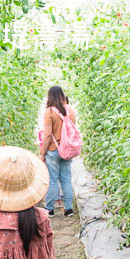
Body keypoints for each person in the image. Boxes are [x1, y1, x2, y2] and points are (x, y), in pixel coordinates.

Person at [38, 86, 78, 216]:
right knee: (66, 179)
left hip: (53, 150)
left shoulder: (49, 112)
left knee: (52, 180)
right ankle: (68, 209)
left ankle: (49, 209)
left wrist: (42, 153)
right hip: (67, 150)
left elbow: (48, 135)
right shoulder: (70, 111)